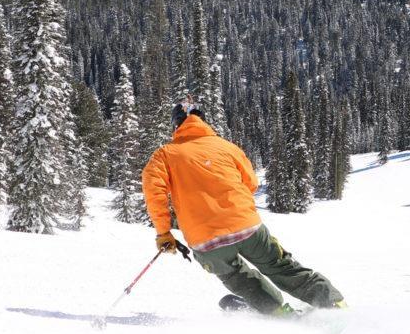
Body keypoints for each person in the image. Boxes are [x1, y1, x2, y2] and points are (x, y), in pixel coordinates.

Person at [141, 100, 346, 316]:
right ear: (203, 122)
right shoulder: (227, 147)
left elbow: (154, 192)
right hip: (247, 228)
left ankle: (279, 313)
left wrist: (164, 233)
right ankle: (333, 305)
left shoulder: (164, 154)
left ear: (176, 125)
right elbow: (251, 183)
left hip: (205, 240)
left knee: (238, 278)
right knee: (280, 266)